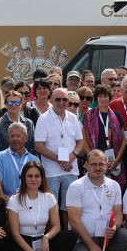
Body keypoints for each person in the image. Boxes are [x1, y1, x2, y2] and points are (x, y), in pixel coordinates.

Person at [54, 149, 127, 251]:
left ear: (106, 165)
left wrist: (115, 226)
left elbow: (118, 213)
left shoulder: (114, 185)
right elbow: (74, 221)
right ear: (86, 165)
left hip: (105, 238)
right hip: (82, 239)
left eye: (101, 164)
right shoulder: (76, 186)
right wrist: (91, 245)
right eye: (93, 164)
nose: (98, 168)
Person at [6, 161, 66, 251]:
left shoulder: (49, 197)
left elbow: (57, 226)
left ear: (42, 178)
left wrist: (46, 237)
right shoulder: (14, 200)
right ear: (24, 178)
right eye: (30, 176)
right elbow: (15, 234)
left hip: (42, 240)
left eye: (37, 176)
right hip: (22, 240)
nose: (33, 179)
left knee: (70, 236)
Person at [35, 87, 86, 218]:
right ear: (51, 100)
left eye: (64, 100)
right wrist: (61, 160)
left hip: (71, 169)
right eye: (58, 99)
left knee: (69, 206)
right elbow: (38, 146)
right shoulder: (43, 119)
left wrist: (72, 157)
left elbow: (81, 142)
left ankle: (67, 230)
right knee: (52, 207)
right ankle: (55, 231)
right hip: (51, 171)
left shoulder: (73, 118)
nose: (61, 102)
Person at [0, 123, 36, 197]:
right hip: (7, 201)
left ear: (26, 138)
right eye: (12, 136)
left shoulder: (35, 160)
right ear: (8, 138)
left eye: (18, 136)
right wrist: (6, 200)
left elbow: (39, 185)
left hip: (30, 200)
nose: (15, 139)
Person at [0, 89, 36, 156]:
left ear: (21, 104)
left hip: (26, 161)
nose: (13, 105)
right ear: (5, 104)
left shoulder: (29, 123)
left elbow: (32, 147)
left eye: (17, 103)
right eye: (10, 103)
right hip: (6, 161)